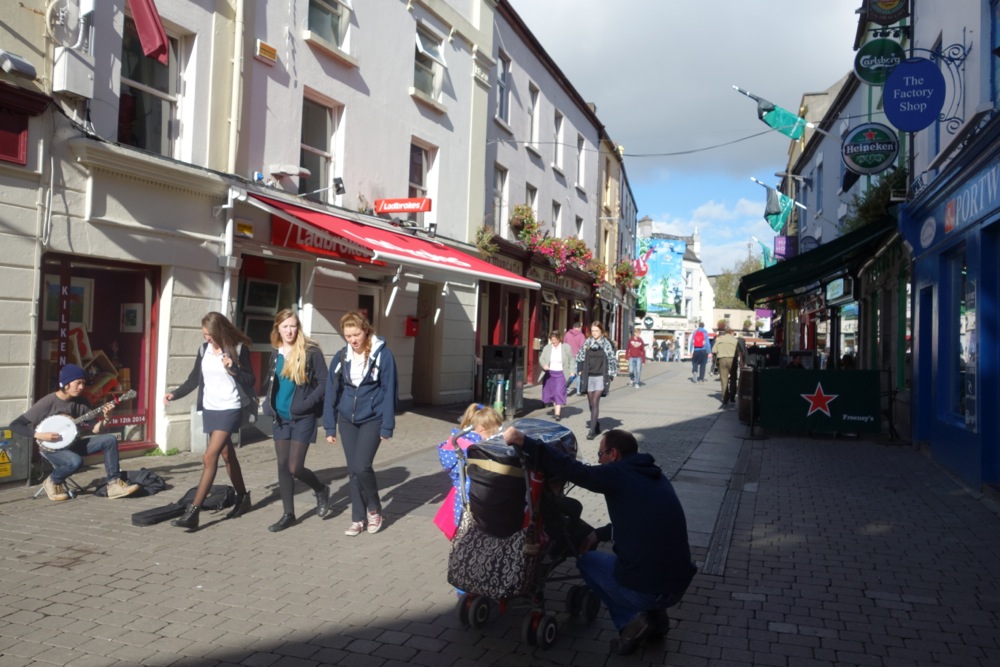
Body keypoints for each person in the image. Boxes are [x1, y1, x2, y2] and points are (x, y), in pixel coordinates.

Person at [503, 427, 696, 656]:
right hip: (677, 584)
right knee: (645, 565)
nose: (599, 461)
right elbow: (640, 522)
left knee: (588, 562)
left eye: (600, 454)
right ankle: (657, 619)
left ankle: (630, 623)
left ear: (613, 454)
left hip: (648, 589)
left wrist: (525, 441)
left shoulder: (618, 473)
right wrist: (599, 534)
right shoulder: (654, 475)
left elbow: (575, 470)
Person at [163, 312, 254, 530]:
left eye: (209, 334)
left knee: (209, 456)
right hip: (211, 409)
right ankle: (243, 498)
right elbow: (194, 379)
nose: (207, 338)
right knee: (227, 455)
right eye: (204, 334)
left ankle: (193, 512)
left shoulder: (238, 349)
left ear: (219, 331)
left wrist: (233, 368)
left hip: (230, 408)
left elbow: (250, 380)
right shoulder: (204, 350)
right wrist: (174, 394)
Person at [11, 364, 141, 501]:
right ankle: (53, 481)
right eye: (78, 383)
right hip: (52, 449)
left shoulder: (82, 402)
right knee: (75, 461)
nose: (81, 387)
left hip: (73, 443)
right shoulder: (48, 402)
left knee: (109, 440)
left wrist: (107, 418)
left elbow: (95, 429)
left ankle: (114, 484)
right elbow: (16, 425)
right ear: (66, 383)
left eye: (83, 383)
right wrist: (40, 435)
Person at [324, 311, 398, 536]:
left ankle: (374, 508)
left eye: (356, 334)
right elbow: (331, 391)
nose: (353, 340)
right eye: (348, 336)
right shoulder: (341, 357)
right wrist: (329, 426)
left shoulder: (383, 355)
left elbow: (390, 391)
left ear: (365, 330)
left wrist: (387, 425)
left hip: (373, 418)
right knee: (353, 470)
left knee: (361, 466)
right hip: (347, 420)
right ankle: (358, 518)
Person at [261, 308, 330, 533]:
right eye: (285, 327)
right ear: (278, 329)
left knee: (295, 467)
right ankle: (288, 514)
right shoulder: (276, 352)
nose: (289, 331)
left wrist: (306, 404)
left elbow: (325, 383)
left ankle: (320, 489)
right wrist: (267, 404)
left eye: (293, 326)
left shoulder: (311, 351)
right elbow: (272, 382)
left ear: (298, 327)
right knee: (282, 466)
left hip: (303, 417)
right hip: (280, 418)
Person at [434, 403, 504, 540]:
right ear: (482, 430)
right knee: (473, 533)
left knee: (464, 531)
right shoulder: (474, 448)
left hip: (462, 496)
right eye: (494, 433)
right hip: (474, 496)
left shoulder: (459, 440)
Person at [575, 321, 618, 440]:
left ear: (601, 331)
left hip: (600, 376)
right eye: (593, 331)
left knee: (595, 402)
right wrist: (579, 370)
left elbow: (612, 359)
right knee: (590, 403)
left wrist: (611, 374)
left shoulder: (606, 344)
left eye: (597, 331)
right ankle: (596, 423)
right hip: (589, 376)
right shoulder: (587, 342)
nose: (594, 333)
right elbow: (580, 357)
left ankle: (592, 431)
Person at [540, 331, 574, 421]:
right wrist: (544, 365)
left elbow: (571, 359)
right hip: (550, 374)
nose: (553, 342)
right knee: (553, 393)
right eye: (552, 340)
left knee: (559, 392)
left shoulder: (566, 347)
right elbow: (541, 358)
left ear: (559, 339)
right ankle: (556, 411)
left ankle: (557, 414)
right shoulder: (547, 348)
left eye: (555, 340)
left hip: (561, 374)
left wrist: (572, 371)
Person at [712, 324, 739, 407]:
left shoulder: (719, 340)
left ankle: (725, 398)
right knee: (733, 378)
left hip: (722, 359)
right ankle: (732, 397)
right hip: (732, 360)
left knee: (724, 379)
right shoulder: (735, 341)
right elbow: (740, 352)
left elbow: (714, 350)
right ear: (732, 333)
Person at [563, 320, 586, 396]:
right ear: (579, 327)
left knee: (568, 373)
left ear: (573, 327)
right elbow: (583, 347)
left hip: (567, 357)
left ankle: (564, 387)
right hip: (577, 357)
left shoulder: (567, 334)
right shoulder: (581, 336)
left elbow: (564, 345)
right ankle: (578, 391)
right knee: (578, 374)